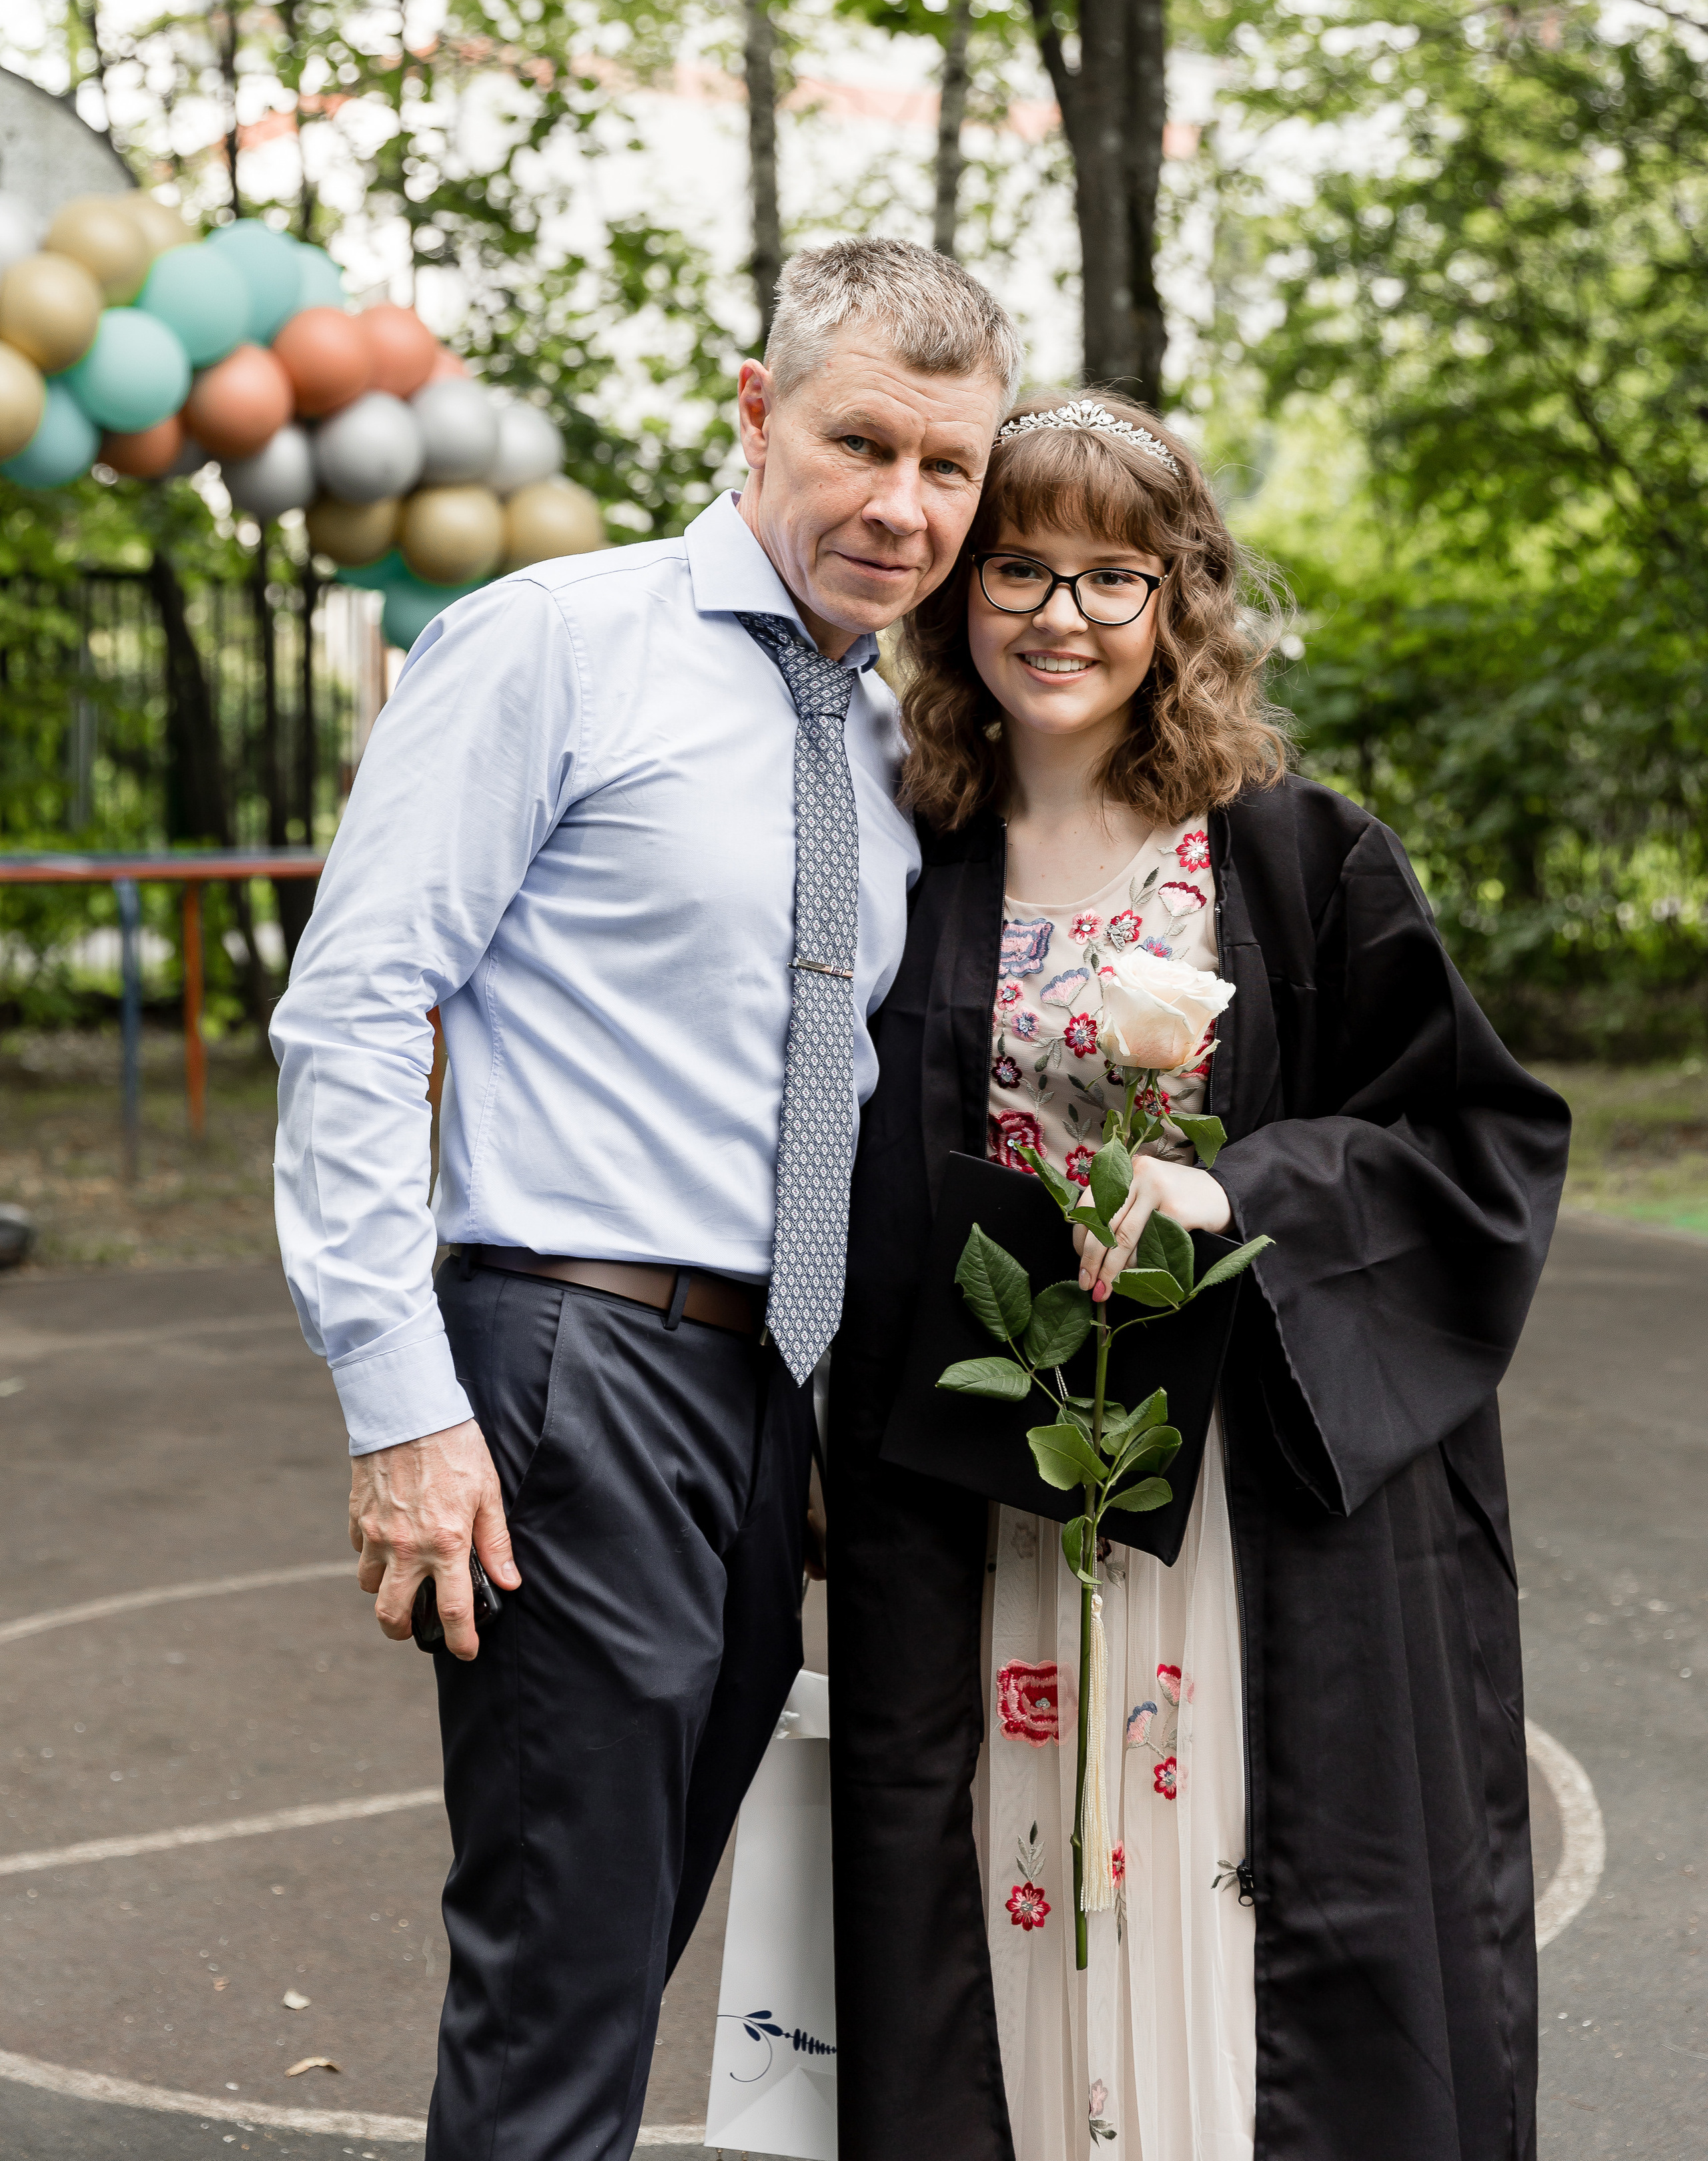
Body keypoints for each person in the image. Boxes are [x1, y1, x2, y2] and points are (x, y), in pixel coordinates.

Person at [269, 236, 1020, 2161]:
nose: (902, 506)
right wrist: (401, 1404)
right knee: (566, 1965)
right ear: (756, 413)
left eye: (950, 469)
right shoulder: (549, 641)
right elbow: (357, 1008)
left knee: (648, 1927)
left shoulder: (890, 733)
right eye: (862, 442)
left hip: (769, 1397)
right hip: (565, 1358)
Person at [829, 393, 1572, 2161]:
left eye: (1112, 575)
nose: (1060, 614)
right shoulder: (905, 867)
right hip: (994, 1513)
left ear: (1179, 603)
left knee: (1231, 1894)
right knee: (1008, 1881)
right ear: (961, 595)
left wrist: (1230, 1191)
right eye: (1020, 566)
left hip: (1246, 1520)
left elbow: (1471, 1148)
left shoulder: (1298, 862)